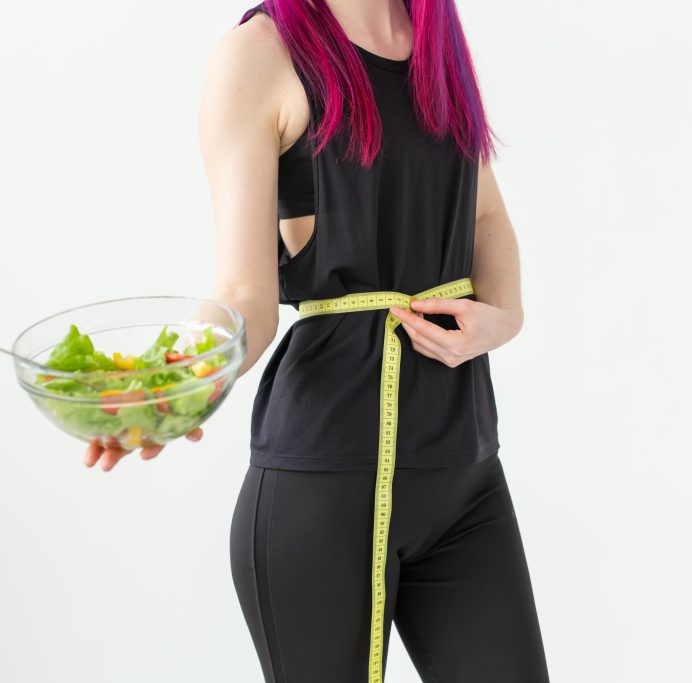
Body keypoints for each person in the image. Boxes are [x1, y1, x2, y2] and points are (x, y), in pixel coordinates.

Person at [85, 0, 549, 680]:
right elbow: (246, 294)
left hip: (466, 476)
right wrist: (176, 380)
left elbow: (483, 214)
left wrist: (503, 317)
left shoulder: (433, 41)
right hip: (325, 490)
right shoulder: (258, 55)